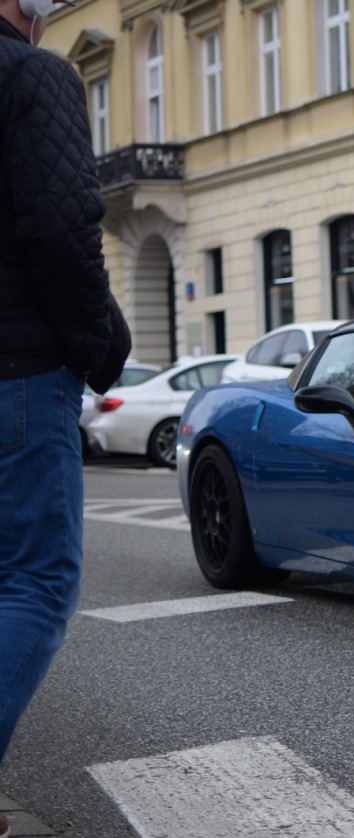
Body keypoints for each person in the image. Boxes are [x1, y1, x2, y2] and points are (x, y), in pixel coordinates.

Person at [0, 0, 132, 788]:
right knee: (38, 582)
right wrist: (101, 344)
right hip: (18, 372)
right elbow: (60, 229)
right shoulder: (35, 76)